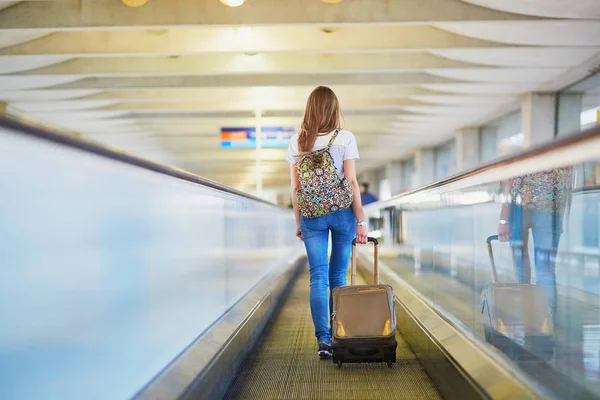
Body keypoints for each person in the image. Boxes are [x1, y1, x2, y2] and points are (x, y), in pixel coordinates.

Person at [287, 86, 368, 359]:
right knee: (337, 276)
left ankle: (323, 341)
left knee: (318, 277)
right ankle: (340, 332)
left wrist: (299, 221)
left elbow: (295, 188)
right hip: (343, 213)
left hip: (312, 215)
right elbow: (353, 182)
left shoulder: (297, 142)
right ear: (334, 109)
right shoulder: (345, 137)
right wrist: (361, 220)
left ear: (309, 109)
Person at [498, 167, 573, 318]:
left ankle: (527, 319)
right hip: (551, 208)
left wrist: (504, 217)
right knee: (546, 269)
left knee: (521, 266)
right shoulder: (560, 146)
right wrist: (562, 216)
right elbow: (568, 182)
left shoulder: (527, 143)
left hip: (521, 205)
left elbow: (511, 178)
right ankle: (547, 323)